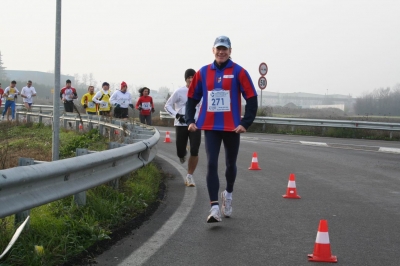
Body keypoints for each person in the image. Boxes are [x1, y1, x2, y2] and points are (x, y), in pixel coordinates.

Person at [185, 36, 258, 223]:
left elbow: (251, 98)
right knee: (211, 164)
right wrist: (190, 120)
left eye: (224, 49)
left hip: (232, 127)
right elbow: (192, 97)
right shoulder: (202, 72)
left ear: (230, 51)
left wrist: (246, 122)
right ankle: (214, 207)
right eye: (218, 49)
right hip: (210, 125)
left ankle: (229, 194)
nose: (221, 52)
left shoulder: (239, 72)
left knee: (230, 165)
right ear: (213, 50)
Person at [165, 69, 202, 187]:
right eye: (189, 77)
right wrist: (176, 115)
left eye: (193, 77)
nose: (191, 79)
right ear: (185, 78)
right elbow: (167, 105)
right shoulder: (179, 91)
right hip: (181, 124)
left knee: (195, 149)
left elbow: (203, 106)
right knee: (180, 151)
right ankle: (182, 154)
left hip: (196, 124)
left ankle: (189, 176)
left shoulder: (200, 91)